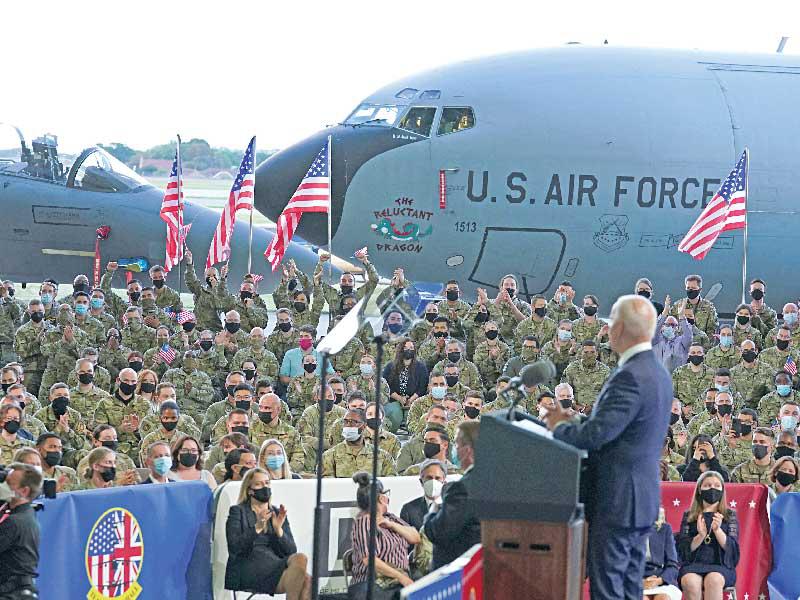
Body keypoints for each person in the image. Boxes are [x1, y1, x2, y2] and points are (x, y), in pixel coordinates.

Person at [544, 294, 672, 600]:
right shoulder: (658, 372)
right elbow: (621, 428)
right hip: (640, 498)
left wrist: (560, 427)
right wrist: (581, 421)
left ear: (620, 329)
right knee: (629, 587)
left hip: (617, 500)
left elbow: (598, 434)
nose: (606, 329)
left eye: (611, 321)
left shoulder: (629, 376)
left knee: (609, 589)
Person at [224, 468, 310, 599]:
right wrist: (257, 527)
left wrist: (278, 530)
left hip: (274, 564)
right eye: (259, 484)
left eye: (267, 483)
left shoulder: (276, 512)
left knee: (301, 561)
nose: (265, 487)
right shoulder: (238, 511)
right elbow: (235, 548)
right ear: (249, 490)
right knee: (305, 580)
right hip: (248, 567)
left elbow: (291, 551)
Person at [349, 471, 419, 599]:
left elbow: (415, 537)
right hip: (375, 583)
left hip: (398, 580)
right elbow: (369, 560)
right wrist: (401, 577)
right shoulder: (364, 521)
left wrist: (392, 525)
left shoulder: (391, 518)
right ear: (381, 498)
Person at [423, 420, 481, 570]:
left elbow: (437, 532)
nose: (454, 449)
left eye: (456, 444)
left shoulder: (461, 489)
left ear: (467, 450)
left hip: (457, 574)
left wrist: (434, 507)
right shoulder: (494, 481)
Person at [677, 471, 740, 599]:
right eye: (708, 485)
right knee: (690, 581)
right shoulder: (689, 515)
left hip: (721, 565)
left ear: (722, 490)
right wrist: (700, 536)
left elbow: (732, 551)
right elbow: (682, 550)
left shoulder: (729, 515)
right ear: (700, 489)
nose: (712, 488)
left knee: (714, 580)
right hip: (693, 565)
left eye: (717, 486)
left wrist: (718, 531)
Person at [0, 463, 42, 599]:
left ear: (24, 491)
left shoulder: (16, 522)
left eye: (9, 483)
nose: (3, 486)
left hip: (12, 593)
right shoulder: (26, 512)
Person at [383, 338, 429, 429]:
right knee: (394, 412)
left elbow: (422, 387)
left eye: (411, 347)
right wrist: (399, 398)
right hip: (394, 400)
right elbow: (385, 385)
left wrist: (411, 400)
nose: (409, 350)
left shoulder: (421, 367)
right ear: (400, 349)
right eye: (406, 347)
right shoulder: (390, 366)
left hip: (414, 401)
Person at [642, 508, 681, 600]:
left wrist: (659, 581)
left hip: (661, 581)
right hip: (636, 581)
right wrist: (640, 582)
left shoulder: (665, 529)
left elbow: (673, 566)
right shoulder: (627, 530)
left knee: (663, 598)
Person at [400, 459, 446, 531]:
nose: (433, 482)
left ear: (444, 482)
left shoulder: (455, 507)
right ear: (421, 481)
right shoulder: (408, 510)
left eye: (437, 478)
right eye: (429, 478)